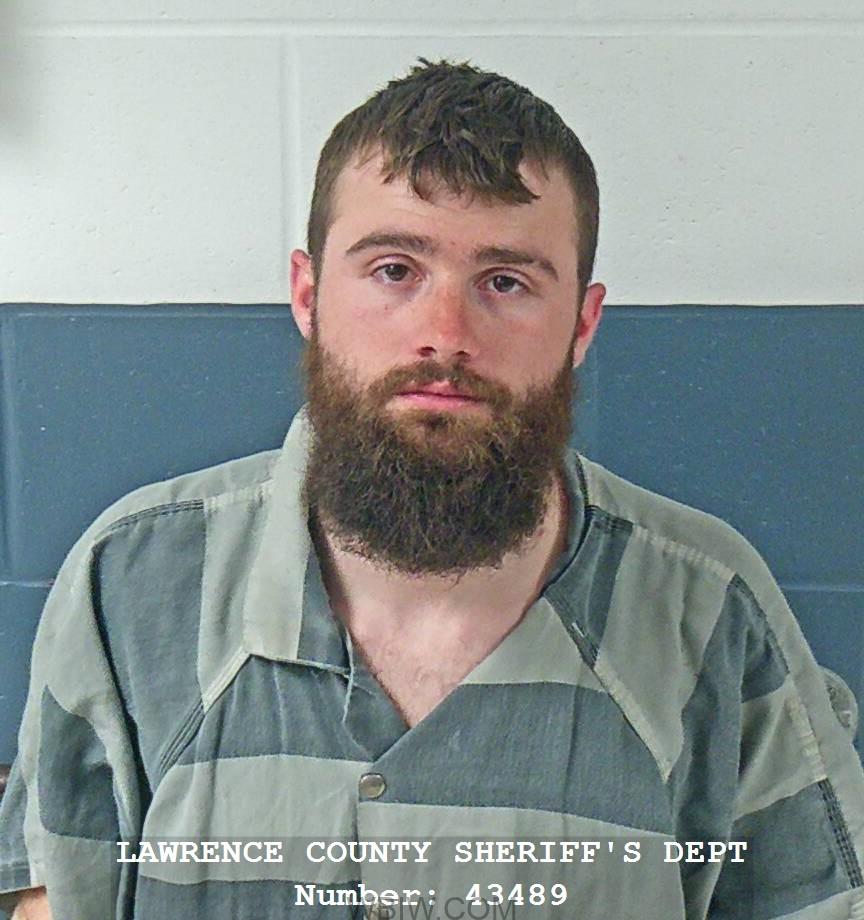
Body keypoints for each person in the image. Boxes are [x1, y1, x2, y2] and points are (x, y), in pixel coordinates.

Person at [0, 59, 862, 920]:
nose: (445, 335)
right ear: (308, 294)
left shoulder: (709, 608)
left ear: (582, 324)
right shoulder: (135, 583)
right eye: (394, 270)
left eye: (505, 282)